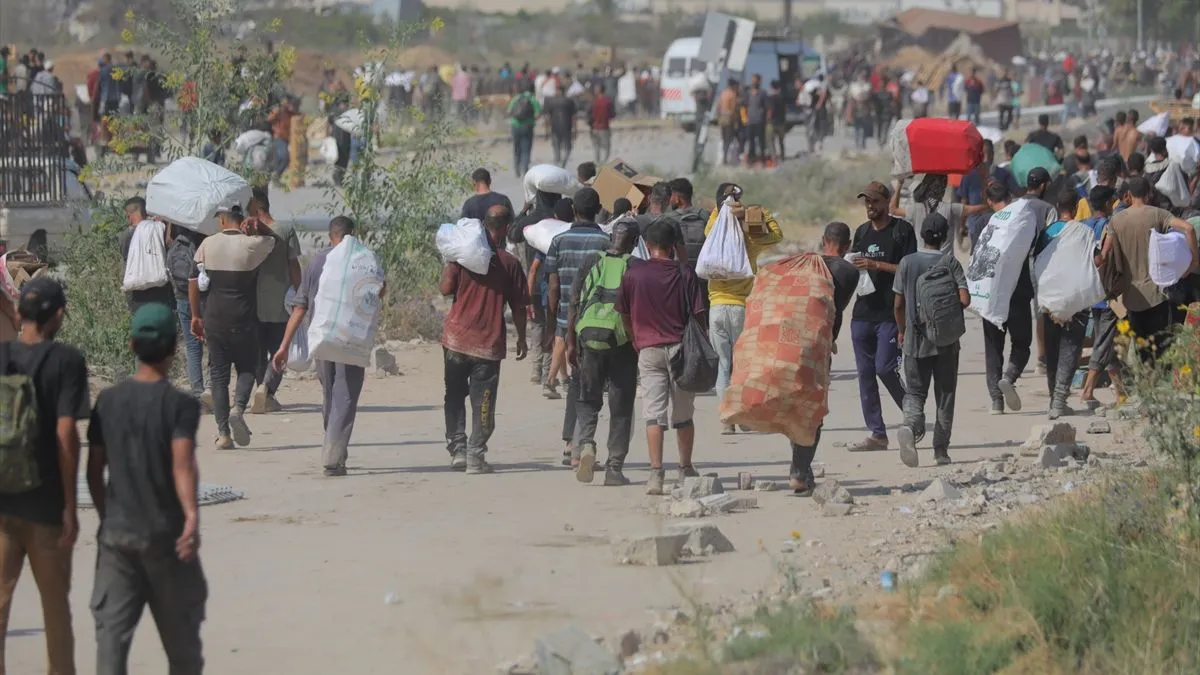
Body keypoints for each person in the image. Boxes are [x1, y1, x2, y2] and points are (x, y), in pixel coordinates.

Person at [85, 303, 205, 675]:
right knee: (183, 650)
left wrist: (108, 518)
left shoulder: (107, 401)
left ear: (132, 345)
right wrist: (190, 516)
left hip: (118, 539)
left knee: (111, 645)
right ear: (174, 349)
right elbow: (182, 464)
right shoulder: (181, 405)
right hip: (165, 536)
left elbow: (93, 472)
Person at [0, 277, 89, 675]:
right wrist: (70, 505)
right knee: (55, 609)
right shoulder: (65, 360)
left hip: (2, 502)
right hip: (46, 505)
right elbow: (65, 433)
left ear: (19, 313)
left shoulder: (1, 356)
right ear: (59, 316)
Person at [615, 220, 707, 495]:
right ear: (673, 246)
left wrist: (635, 338)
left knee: (653, 414)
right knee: (683, 414)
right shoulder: (684, 273)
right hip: (681, 350)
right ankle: (685, 468)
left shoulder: (634, 274)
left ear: (647, 245)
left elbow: (623, 312)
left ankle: (656, 475)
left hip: (648, 350)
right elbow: (700, 316)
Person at [436, 205, 529, 474]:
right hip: (487, 343)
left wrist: (450, 263)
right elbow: (520, 306)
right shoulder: (509, 263)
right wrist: (522, 339)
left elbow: (444, 289)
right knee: (484, 399)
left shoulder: (462, 256)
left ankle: (458, 451)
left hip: (455, 338)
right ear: (503, 228)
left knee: (454, 395)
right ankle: (476, 454)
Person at [190, 206, 276, 450]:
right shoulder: (252, 244)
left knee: (218, 374)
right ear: (242, 220)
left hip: (215, 318)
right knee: (247, 367)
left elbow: (193, 281)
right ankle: (238, 408)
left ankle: (223, 433)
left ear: (223, 220)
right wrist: (259, 225)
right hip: (244, 318)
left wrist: (196, 315)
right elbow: (274, 241)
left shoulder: (207, 244)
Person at [564, 220, 639, 486]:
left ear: (611, 239)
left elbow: (574, 302)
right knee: (620, 406)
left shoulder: (591, 261)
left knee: (587, 398)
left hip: (589, 340)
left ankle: (586, 444)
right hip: (622, 344)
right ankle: (614, 469)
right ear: (633, 242)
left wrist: (571, 343)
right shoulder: (635, 266)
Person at [705, 183, 783, 433]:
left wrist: (721, 209)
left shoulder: (714, 230)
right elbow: (776, 235)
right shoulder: (750, 237)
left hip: (717, 305)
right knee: (743, 366)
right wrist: (754, 212)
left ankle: (728, 420)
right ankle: (745, 414)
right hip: (743, 307)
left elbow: (713, 222)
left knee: (723, 365)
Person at [893, 213, 969, 467]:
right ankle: (941, 451)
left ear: (921, 234)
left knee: (915, 392)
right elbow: (965, 300)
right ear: (946, 236)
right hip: (947, 341)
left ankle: (910, 426)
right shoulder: (951, 263)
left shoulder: (907, 263)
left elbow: (899, 305)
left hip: (915, 340)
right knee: (945, 395)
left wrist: (902, 330)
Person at [790, 223, 860, 494]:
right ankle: (799, 471)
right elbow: (836, 306)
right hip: (820, 350)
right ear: (848, 245)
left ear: (823, 241)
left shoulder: (805, 265)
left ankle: (801, 468)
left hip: (793, 346)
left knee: (797, 406)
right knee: (814, 410)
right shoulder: (848, 271)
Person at [546, 189, 612, 467]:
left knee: (576, 381)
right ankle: (579, 444)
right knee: (590, 385)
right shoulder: (606, 242)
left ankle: (571, 442)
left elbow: (552, 287)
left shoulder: (558, 241)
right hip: (598, 322)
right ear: (598, 209)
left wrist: (554, 324)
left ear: (574, 210)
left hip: (565, 321)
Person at [1102, 176, 1199, 362]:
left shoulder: (1117, 221)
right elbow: (1189, 228)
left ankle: (1144, 385)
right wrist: (1193, 261)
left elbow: (1104, 255)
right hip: (1157, 293)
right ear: (1148, 194)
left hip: (1131, 296)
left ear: (1129, 195)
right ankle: (1156, 385)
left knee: (1141, 349)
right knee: (1161, 348)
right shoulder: (1157, 214)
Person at [849, 181, 916, 450]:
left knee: (885, 369)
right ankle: (877, 433)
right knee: (866, 374)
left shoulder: (902, 231)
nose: (870, 207)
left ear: (887, 202)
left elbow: (909, 268)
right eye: (866, 202)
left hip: (891, 313)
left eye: (875, 201)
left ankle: (913, 417)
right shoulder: (862, 232)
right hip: (862, 313)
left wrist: (876, 264)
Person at [1032, 190, 1090, 419]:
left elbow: (1038, 261)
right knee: (1071, 348)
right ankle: (1059, 401)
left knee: (1053, 350)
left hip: (1049, 299)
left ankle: (1054, 400)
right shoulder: (1083, 231)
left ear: (1058, 207)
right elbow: (1092, 261)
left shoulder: (1046, 233)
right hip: (1075, 299)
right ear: (1076, 208)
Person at [247, 189, 301, 415]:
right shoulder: (286, 229)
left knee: (258, 351)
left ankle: (263, 389)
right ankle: (266, 390)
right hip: (280, 302)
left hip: (254, 303)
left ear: (258, 206)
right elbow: (293, 266)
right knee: (279, 349)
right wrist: (301, 294)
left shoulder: (248, 235)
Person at [1078, 186, 1126, 408]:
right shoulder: (1110, 227)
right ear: (1108, 204)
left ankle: (1121, 393)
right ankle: (1088, 390)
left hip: (1088, 292)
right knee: (1103, 342)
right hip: (1107, 294)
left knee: (1107, 341)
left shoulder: (1081, 227)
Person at [527, 198, 575, 398]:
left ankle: (562, 378)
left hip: (550, 297)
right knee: (561, 338)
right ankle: (555, 379)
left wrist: (528, 298)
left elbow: (532, 270)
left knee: (558, 338)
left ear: (555, 216)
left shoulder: (547, 242)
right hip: (568, 295)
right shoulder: (567, 239)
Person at [167, 223, 210, 409]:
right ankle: (211, 387)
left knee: (192, 347)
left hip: (181, 297)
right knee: (211, 344)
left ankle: (197, 392)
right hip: (203, 298)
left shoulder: (172, 244)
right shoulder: (203, 243)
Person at [958, 140, 1020, 250]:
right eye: (983, 155)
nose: (986, 158)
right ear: (979, 156)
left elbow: (1017, 193)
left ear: (993, 154)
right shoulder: (968, 175)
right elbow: (964, 202)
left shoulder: (1003, 173)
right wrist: (962, 225)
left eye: (989, 154)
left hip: (998, 225)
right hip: (976, 226)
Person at [120, 197, 175, 313]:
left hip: (138, 293)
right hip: (161, 289)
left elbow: (125, 258)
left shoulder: (127, 235)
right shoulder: (158, 228)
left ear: (129, 215)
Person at [890, 174, 964, 255]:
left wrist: (899, 184)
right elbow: (977, 208)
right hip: (944, 260)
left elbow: (893, 210)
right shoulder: (950, 209)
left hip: (922, 258)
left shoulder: (916, 209)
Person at [669, 177, 710, 273]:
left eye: (670, 196)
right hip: (702, 272)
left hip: (678, 274)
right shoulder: (703, 215)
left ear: (677, 198)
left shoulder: (668, 219)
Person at [508, 81, 541, 178]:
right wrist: (531, 119)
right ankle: (524, 170)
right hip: (527, 126)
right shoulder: (532, 99)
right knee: (526, 149)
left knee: (517, 148)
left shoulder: (516, 98)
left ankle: (516, 169)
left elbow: (509, 111)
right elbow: (537, 114)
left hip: (515, 126)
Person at [545, 88, 577, 168]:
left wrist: (547, 128)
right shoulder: (569, 101)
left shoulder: (551, 102)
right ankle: (563, 162)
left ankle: (558, 162)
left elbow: (548, 117)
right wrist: (575, 129)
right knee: (568, 148)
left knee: (556, 147)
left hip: (555, 128)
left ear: (557, 91)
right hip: (567, 127)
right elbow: (574, 116)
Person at [743, 74, 769, 167]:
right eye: (752, 80)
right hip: (750, 121)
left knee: (761, 142)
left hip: (760, 121)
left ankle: (762, 161)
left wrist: (766, 119)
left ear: (759, 81)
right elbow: (744, 106)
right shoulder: (748, 93)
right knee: (751, 142)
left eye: (755, 80)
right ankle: (751, 161)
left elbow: (767, 107)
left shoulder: (763, 93)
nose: (753, 82)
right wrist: (744, 119)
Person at [588, 83, 616, 165]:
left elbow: (589, 114)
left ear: (597, 91)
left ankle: (597, 162)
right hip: (604, 127)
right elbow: (612, 114)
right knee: (606, 147)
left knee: (596, 146)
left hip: (594, 127)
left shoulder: (593, 101)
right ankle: (604, 162)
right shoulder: (608, 101)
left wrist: (591, 125)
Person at [717, 79, 741, 164]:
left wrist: (718, 117)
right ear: (733, 86)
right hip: (729, 117)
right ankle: (725, 159)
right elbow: (734, 109)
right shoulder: (732, 94)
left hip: (722, 117)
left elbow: (718, 106)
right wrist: (735, 121)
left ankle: (723, 157)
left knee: (723, 139)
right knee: (728, 139)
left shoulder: (722, 93)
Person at [766, 79, 788, 161]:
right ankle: (782, 156)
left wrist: (767, 119)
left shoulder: (771, 98)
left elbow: (770, 110)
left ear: (771, 87)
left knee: (770, 140)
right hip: (781, 122)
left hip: (772, 122)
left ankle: (774, 156)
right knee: (781, 141)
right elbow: (785, 109)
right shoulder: (782, 97)